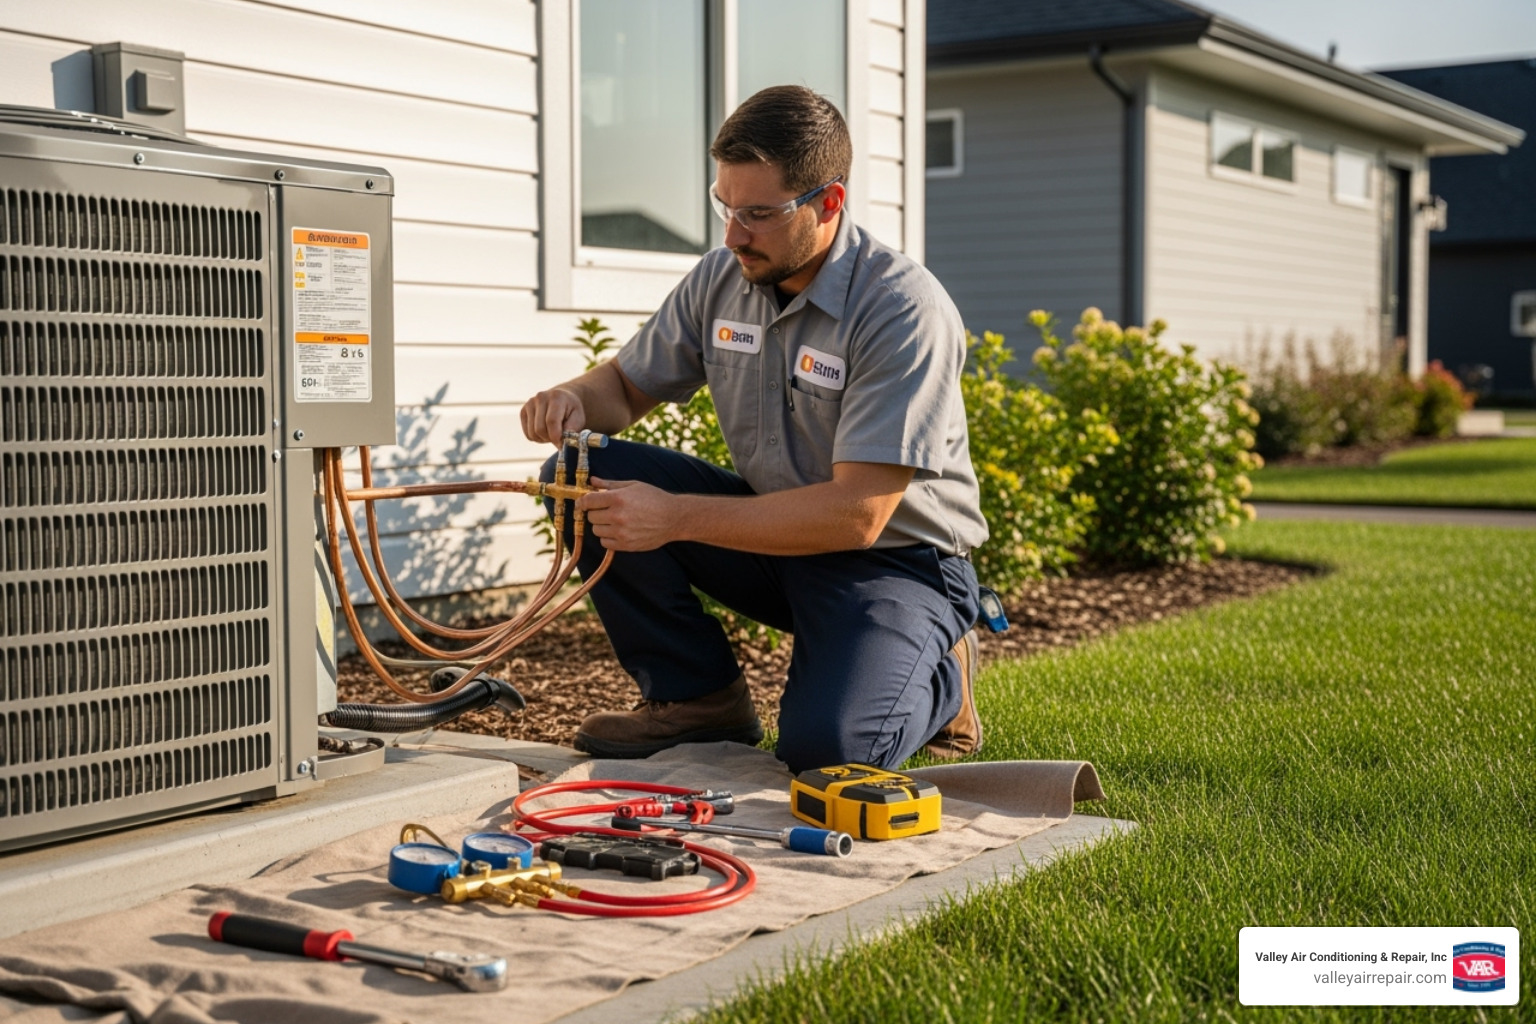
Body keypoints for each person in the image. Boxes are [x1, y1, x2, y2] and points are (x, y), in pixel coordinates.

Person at [520, 86, 988, 774]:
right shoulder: (722, 279)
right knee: (577, 474)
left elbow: (857, 515)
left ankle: (944, 678)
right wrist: (573, 398)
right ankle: (697, 698)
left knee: (827, 755)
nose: (733, 235)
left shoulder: (901, 309)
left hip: (896, 563)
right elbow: (622, 388)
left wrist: (675, 517)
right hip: (776, 537)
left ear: (830, 202)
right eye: (726, 207)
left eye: (759, 214)